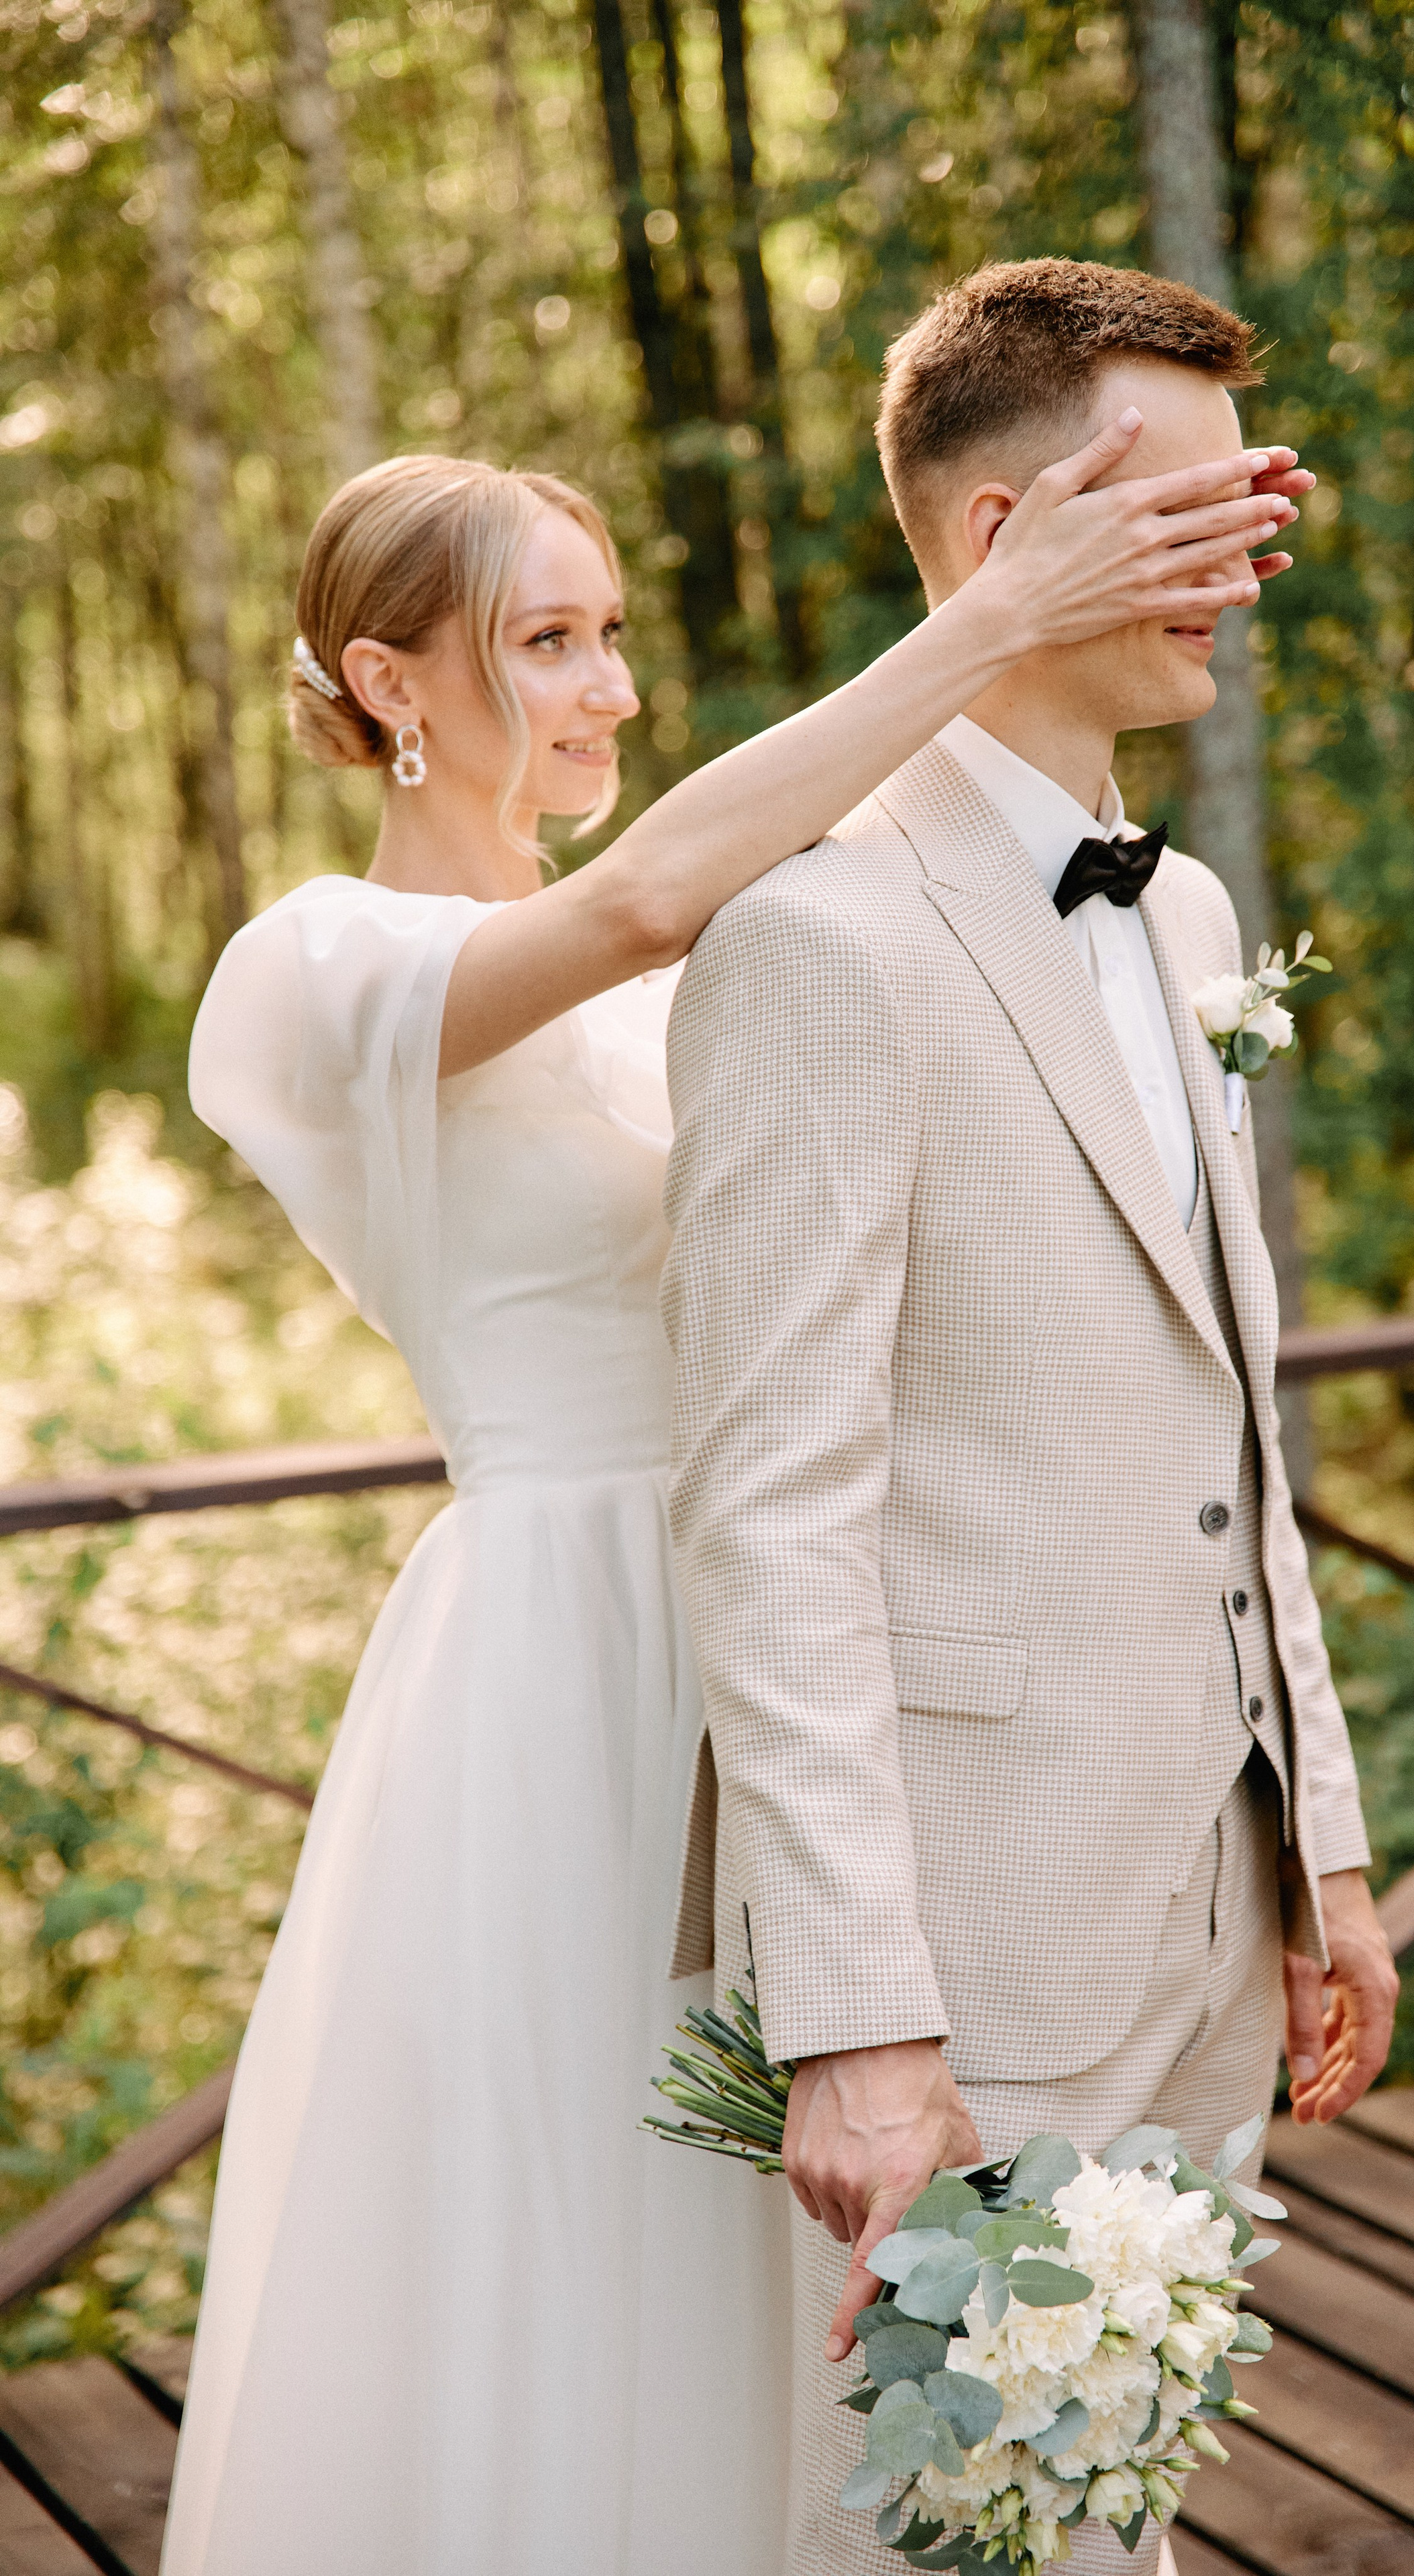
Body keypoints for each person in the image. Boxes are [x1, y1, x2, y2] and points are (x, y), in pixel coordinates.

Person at [160, 429, 1307, 2576]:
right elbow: (647, 893)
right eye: (545, 643)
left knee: (828, 2272)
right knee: (591, 2241)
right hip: (568, 1648)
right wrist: (990, 623)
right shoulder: (312, 978)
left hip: (800, 1638)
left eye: (612, 638)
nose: (604, 689)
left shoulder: (722, 968)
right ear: (390, 682)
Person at [661, 259, 1400, 2576]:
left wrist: (1331, 1849)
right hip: (977, 1940)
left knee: (1114, 2512)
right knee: (944, 2542)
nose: (1246, 555)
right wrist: (858, 2014)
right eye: (1176, 506)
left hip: (1209, 1894)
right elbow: (769, 1514)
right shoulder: (819, 943)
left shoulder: (1187, 913)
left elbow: (1233, 1416)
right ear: (1003, 544)